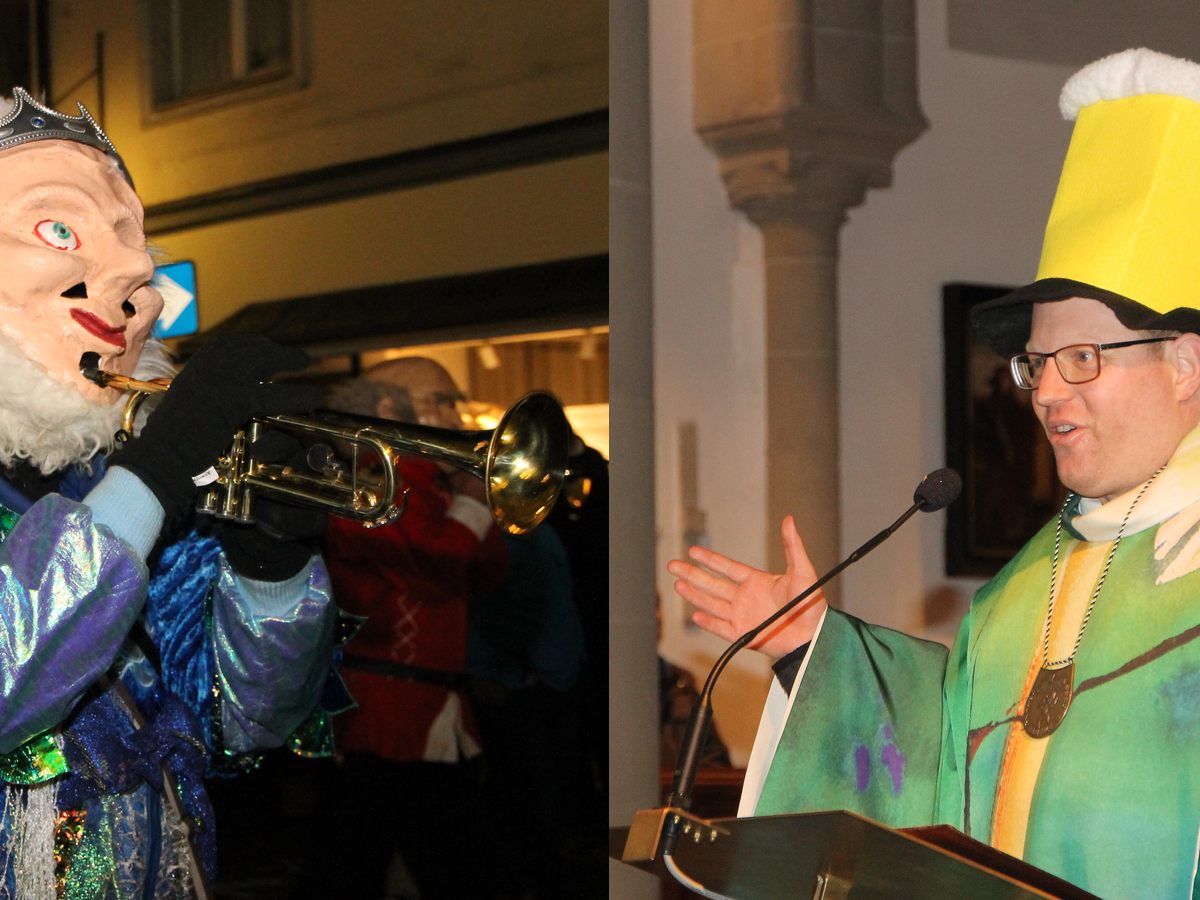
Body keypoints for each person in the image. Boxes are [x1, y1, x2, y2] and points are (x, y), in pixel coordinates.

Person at [669, 48, 1200, 899]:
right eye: (1037, 364)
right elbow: (948, 763)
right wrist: (814, 651)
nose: (1047, 390)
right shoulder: (1019, 593)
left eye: (1083, 358)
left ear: (1185, 363)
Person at [0, 88, 339, 897]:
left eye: (132, 236)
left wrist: (274, 566)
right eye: (60, 228)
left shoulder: (99, 469)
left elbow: (249, 724)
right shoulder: (134, 480)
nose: (136, 271)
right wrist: (157, 469)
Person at [312, 359, 508, 899]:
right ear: (386, 410)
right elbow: (438, 561)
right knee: (355, 868)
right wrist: (471, 500)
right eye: (439, 401)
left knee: (448, 867)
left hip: (432, 704)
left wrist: (472, 497)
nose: (455, 415)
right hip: (383, 711)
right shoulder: (371, 484)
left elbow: (489, 573)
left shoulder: (432, 485)